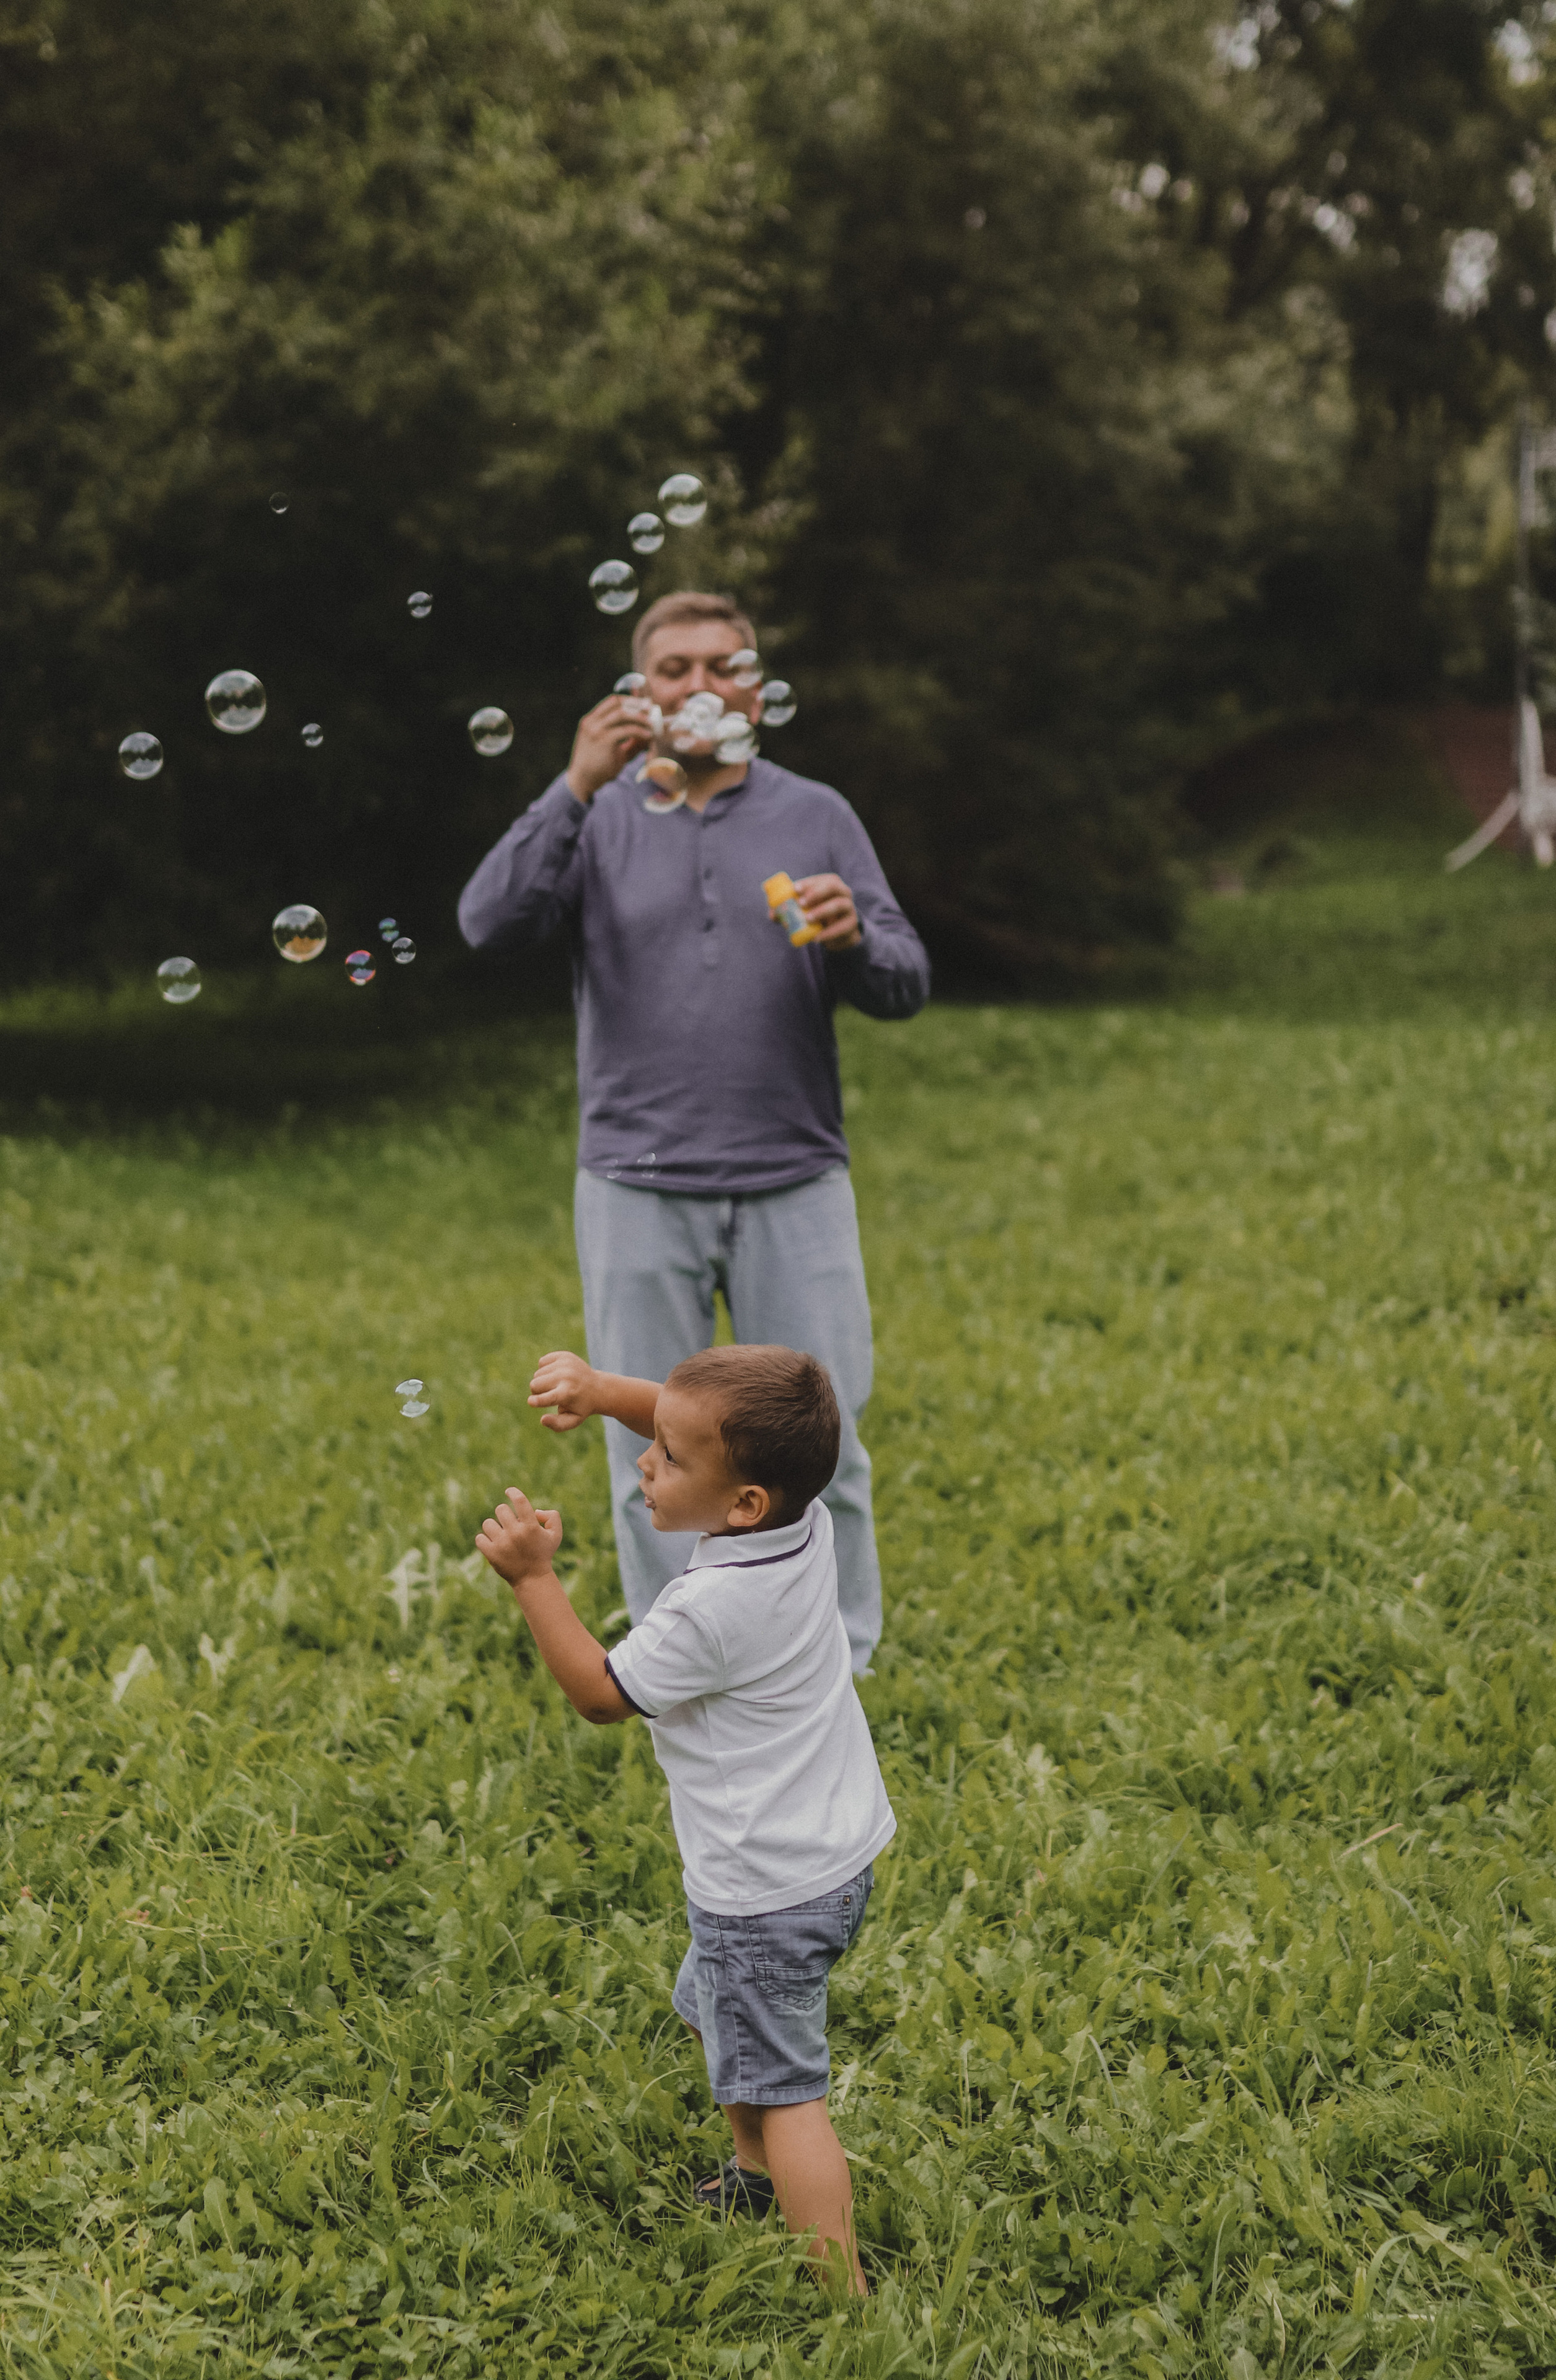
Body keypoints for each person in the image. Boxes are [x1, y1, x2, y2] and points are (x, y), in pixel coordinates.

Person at [457, 591, 929, 1674]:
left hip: (794, 1176)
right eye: (676, 668)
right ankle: (681, 1664)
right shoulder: (599, 813)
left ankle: (835, 1657)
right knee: (652, 1443)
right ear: (640, 690)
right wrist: (573, 783)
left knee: (830, 1436)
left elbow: (905, 984)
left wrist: (859, 942)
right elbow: (488, 924)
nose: (703, 684)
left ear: (757, 689)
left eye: (727, 664)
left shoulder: (818, 813)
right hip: (634, 1178)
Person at [475, 1341, 894, 2296]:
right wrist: (601, 1391)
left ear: (742, 1502)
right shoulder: (803, 1517)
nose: (643, 1464)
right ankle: (752, 2179)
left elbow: (598, 1693)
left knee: (791, 2095)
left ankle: (844, 2305)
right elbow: (688, 1411)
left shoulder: (710, 1610)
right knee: (715, 2009)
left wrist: (536, 1579)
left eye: (666, 1456)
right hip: (830, 1853)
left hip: (766, 1888)